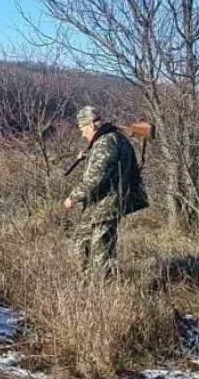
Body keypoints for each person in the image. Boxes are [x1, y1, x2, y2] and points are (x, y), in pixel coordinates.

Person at [63, 107, 148, 275]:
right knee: (82, 244)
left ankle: (101, 287)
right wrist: (89, 155)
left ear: (91, 125)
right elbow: (111, 167)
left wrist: (73, 197)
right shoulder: (114, 139)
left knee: (100, 258)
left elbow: (97, 177)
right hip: (100, 207)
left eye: (83, 129)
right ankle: (87, 284)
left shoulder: (106, 142)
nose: (82, 134)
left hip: (104, 207)